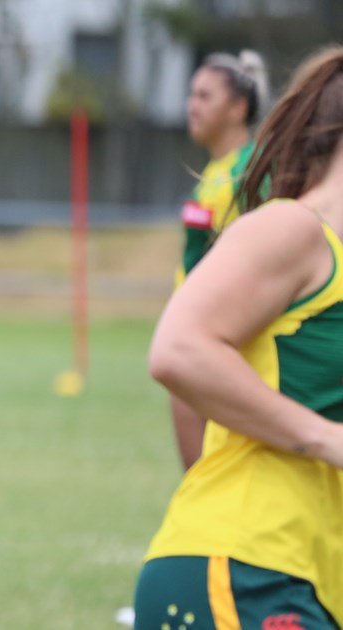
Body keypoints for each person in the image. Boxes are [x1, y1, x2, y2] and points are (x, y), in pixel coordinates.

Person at [134, 46, 343, 630]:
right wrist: (326, 438)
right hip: (243, 570)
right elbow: (179, 349)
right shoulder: (293, 229)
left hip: (304, 581)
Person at [168, 50, 269, 470]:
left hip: (218, 343)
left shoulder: (251, 170)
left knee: (210, 479)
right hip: (193, 337)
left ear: (238, 108)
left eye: (205, 96)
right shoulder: (215, 170)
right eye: (191, 94)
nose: (192, 105)